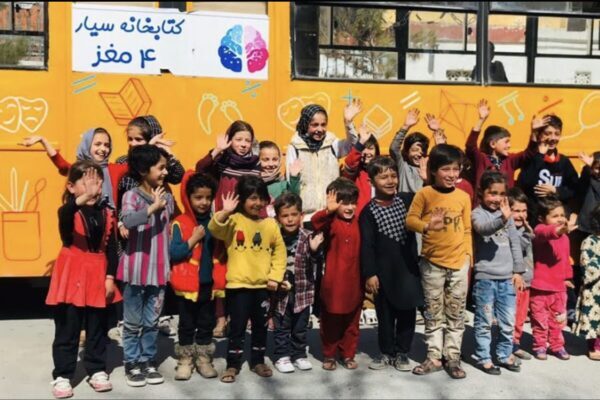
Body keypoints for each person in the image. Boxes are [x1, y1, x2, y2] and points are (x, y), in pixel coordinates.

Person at [45, 161, 120, 398]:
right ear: (71, 187)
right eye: (85, 182)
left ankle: (96, 369)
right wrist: (84, 197)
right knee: (68, 327)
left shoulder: (107, 213)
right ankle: (63, 375)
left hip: (98, 273)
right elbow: (64, 214)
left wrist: (110, 277)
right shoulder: (69, 212)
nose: (93, 187)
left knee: (98, 327)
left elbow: (112, 248)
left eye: (96, 181)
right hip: (72, 273)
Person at [208, 175, 286, 383]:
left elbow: (280, 253)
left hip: (263, 286)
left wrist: (275, 277)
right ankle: (233, 364)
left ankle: (258, 361)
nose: (257, 203)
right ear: (241, 200)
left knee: (261, 326)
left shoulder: (270, 224)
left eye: (261, 198)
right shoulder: (233, 221)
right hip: (238, 286)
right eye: (252, 198)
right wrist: (225, 211)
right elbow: (214, 229)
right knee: (237, 327)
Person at [406, 144, 472, 379]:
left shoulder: (463, 196)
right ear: (433, 170)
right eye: (446, 169)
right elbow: (410, 220)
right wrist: (426, 226)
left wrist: (468, 257)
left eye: (456, 169)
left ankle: (452, 357)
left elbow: (466, 229)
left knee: (456, 312)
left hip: (458, 263)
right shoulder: (425, 194)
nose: (452, 174)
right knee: (433, 312)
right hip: (432, 262)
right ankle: (434, 356)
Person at [196, 120, 261, 338]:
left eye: (247, 140)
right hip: (224, 223)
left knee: (245, 270)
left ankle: (242, 316)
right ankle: (221, 317)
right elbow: (200, 170)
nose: (243, 144)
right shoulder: (221, 162)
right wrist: (216, 151)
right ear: (230, 140)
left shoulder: (255, 165)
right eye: (238, 139)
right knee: (222, 270)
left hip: (248, 225)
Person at [117, 145, 174, 387]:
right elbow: (128, 220)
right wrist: (152, 207)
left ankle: (149, 360)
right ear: (143, 170)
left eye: (166, 167)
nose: (165, 172)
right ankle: (132, 363)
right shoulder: (131, 196)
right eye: (160, 168)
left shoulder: (168, 196)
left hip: (158, 270)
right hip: (136, 270)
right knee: (132, 322)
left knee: (152, 321)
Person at [360, 156, 423, 371]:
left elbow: (430, 199)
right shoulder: (368, 212)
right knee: (385, 315)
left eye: (393, 175)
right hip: (383, 272)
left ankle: (403, 352)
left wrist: (427, 180)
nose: (390, 180)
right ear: (371, 182)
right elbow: (367, 246)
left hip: (408, 269)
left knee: (407, 312)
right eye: (383, 176)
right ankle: (386, 352)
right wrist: (370, 273)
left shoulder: (407, 200)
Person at [471, 171, 524, 375]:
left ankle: (503, 355)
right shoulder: (477, 213)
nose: (497, 198)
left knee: (507, 321)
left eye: (501, 194)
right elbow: (483, 230)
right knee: (484, 321)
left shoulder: (507, 214)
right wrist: (503, 218)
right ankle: (483, 357)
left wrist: (518, 270)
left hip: (507, 278)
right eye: (492, 193)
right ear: (481, 193)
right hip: (485, 279)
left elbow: (515, 243)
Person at [169, 172, 219, 380]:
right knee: (187, 323)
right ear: (188, 198)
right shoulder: (179, 223)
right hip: (188, 285)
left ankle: (204, 358)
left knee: (207, 322)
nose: (204, 202)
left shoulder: (215, 222)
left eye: (208, 198)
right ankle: (185, 359)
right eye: (198, 197)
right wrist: (193, 239)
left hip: (208, 283)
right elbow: (175, 253)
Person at [311, 178, 362, 371]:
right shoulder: (330, 222)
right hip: (333, 282)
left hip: (355, 281)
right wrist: (329, 210)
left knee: (351, 321)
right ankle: (329, 354)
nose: (349, 207)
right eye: (344, 203)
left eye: (352, 203)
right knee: (331, 320)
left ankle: (348, 353)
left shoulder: (359, 222)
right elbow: (316, 222)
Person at [272, 192, 323, 373]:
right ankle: (282, 355)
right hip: (280, 293)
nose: (290, 219)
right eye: (285, 216)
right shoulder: (274, 237)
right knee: (282, 326)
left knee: (300, 326)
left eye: (294, 215)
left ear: (301, 215)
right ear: (277, 218)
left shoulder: (308, 236)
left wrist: (315, 251)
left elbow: (317, 262)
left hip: (303, 291)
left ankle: (299, 354)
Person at [286, 102, 358, 223]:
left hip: (332, 213)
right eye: (314, 125)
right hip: (307, 218)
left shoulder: (331, 143)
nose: (320, 129)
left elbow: (353, 146)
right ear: (305, 125)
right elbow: (291, 183)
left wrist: (348, 123)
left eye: (323, 125)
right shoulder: (295, 147)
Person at [20, 128, 128, 209]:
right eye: (98, 144)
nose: (103, 149)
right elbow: (61, 164)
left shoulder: (114, 170)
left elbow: (139, 165)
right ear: (87, 144)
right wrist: (43, 141)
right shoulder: (80, 169)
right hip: (82, 227)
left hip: (108, 231)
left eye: (106, 145)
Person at [530, 196, 577, 360]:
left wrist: (568, 277)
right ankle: (540, 345)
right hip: (540, 287)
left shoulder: (565, 238)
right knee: (540, 319)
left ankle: (557, 345)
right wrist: (558, 231)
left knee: (558, 320)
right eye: (555, 216)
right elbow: (546, 232)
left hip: (559, 287)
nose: (560, 219)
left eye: (562, 215)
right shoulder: (539, 231)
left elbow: (565, 259)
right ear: (542, 218)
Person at [465, 99, 539, 198]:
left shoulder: (510, 160)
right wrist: (481, 120)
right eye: (506, 141)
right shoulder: (481, 159)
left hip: (505, 209)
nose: (509, 145)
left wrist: (534, 132)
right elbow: (470, 146)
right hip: (484, 210)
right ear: (493, 144)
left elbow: (529, 153)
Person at [517, 115, 579, 219]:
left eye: (557, 134)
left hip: (558, 217)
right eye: (547, 133)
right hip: (536, 217)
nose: (552, 138)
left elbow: (575, 189)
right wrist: (539, 156)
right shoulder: (532, 158)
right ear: (539, 135)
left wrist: (556, 190)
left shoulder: (564, 161)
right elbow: (525, 183)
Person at [507, 187, 535, 360]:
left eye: (524, 210)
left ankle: (515, 343)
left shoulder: (526, 229)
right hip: (511, 280)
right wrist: (528, 234)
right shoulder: (508, 231)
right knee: (509, 316)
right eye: (516, 211)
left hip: (526, 281)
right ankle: (505, 344)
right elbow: (517, 247)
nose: (521, 215)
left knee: (521, 316)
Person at [575, 204, 600, 360]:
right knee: (594, 317)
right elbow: (587, 266)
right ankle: (594, 346)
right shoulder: (590, 241)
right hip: (595, 286)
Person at [341, 123, 380, 216]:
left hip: (381, 216)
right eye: (363, 149)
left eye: (370, 149)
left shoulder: (381, 169)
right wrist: (361, 142)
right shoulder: (355, 172)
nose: (366, 152)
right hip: (361, 217)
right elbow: (350, 164)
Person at [258, 140, 302, 217]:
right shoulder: (253, 182)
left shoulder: (283, 184)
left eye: (275, 159)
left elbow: (293, 200)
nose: (271, 164)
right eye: (266, 159)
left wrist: (294, 177)